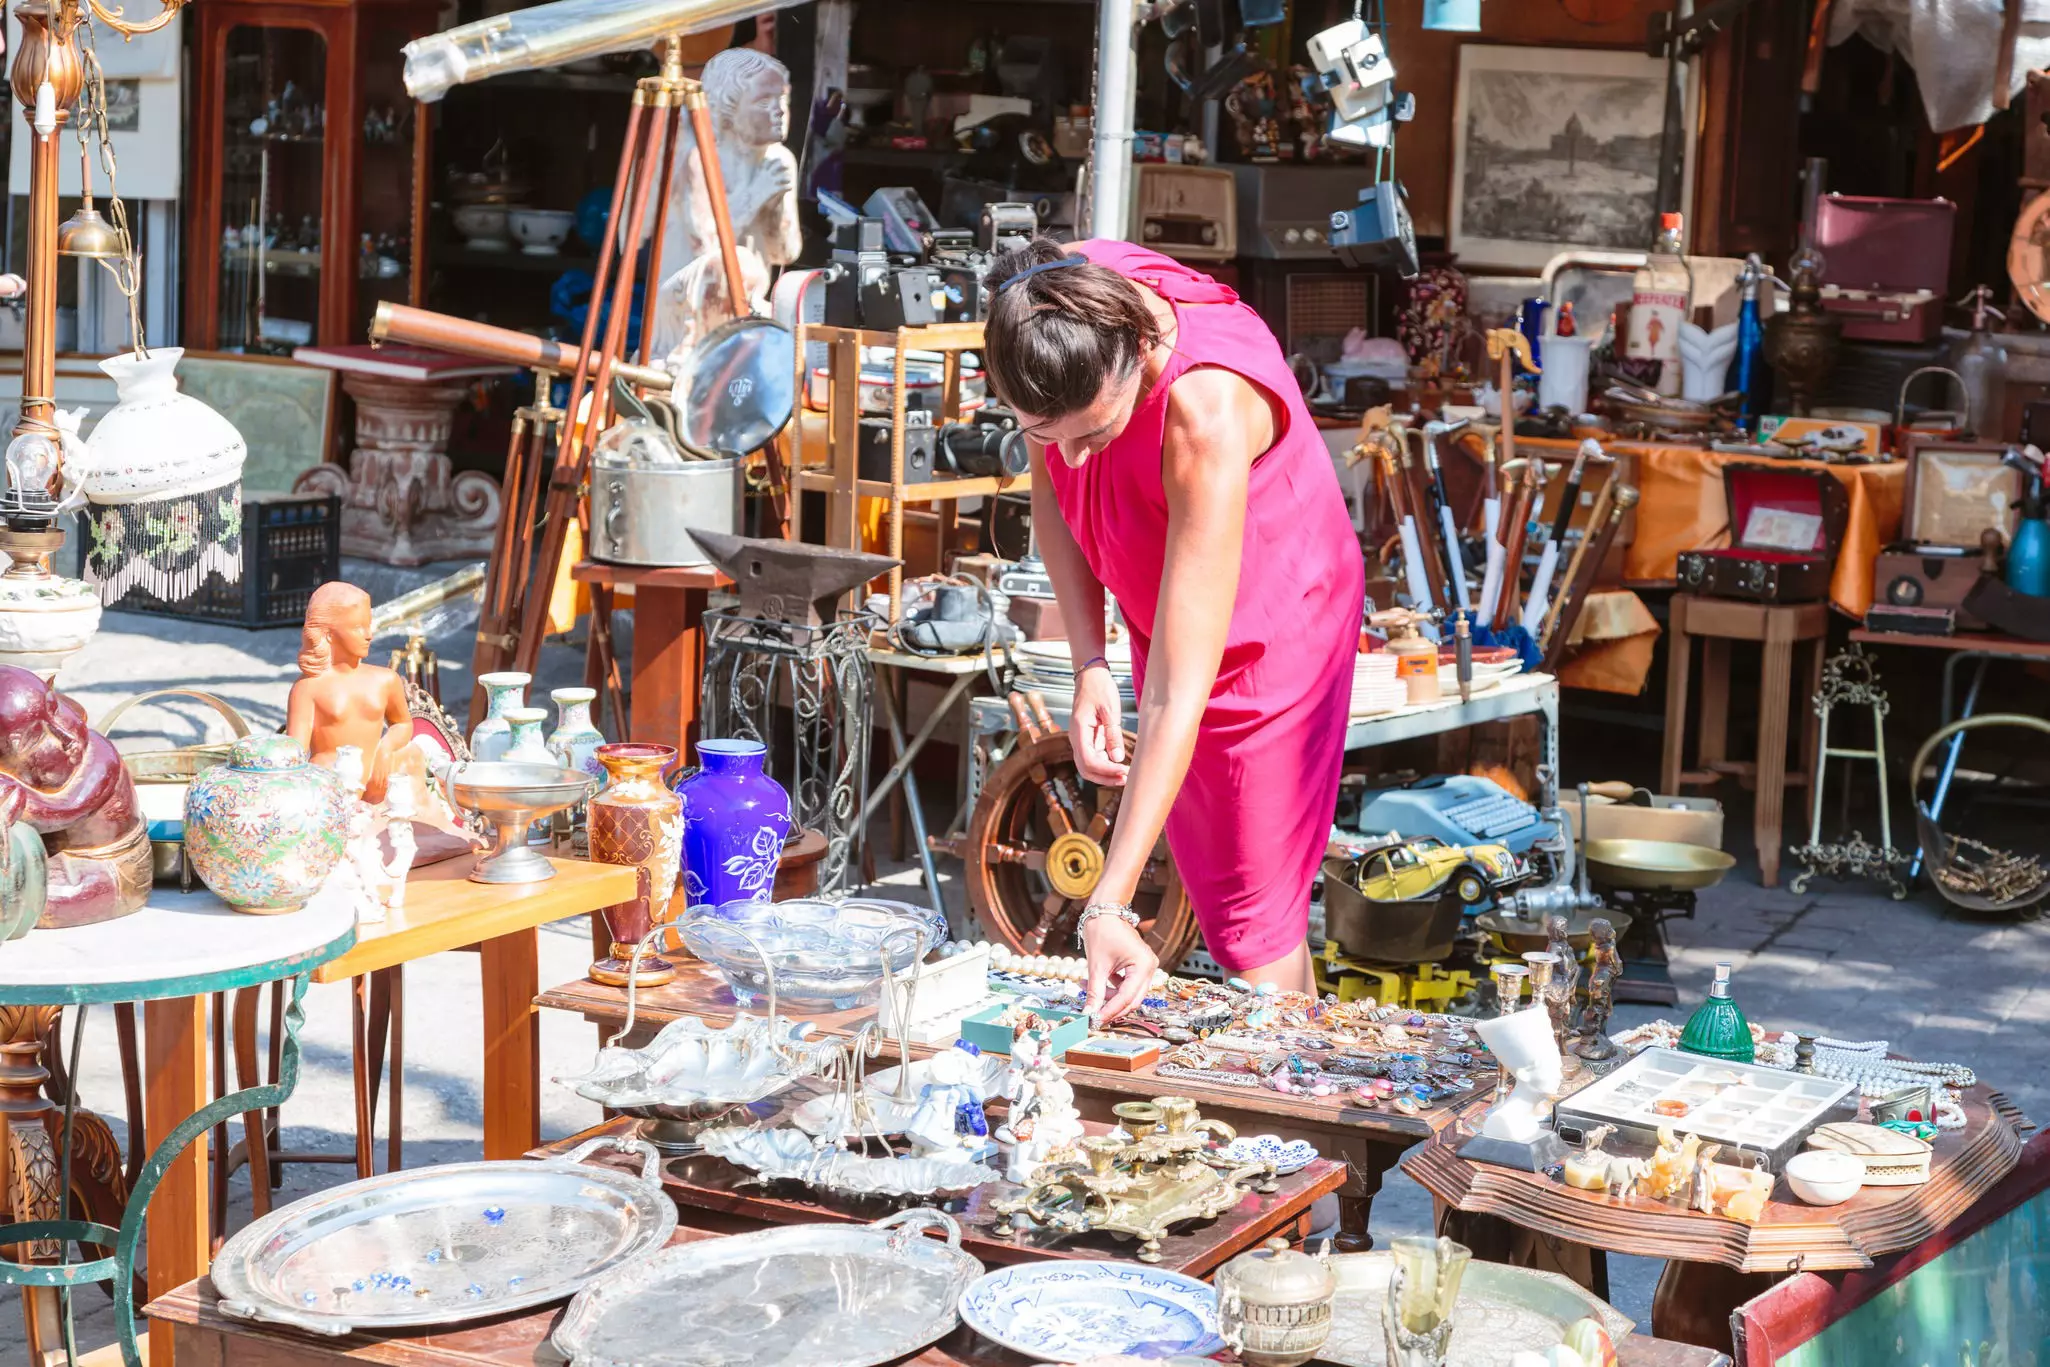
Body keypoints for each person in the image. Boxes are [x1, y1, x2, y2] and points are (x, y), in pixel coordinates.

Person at [981, 238, 1365, 1022]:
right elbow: (1053, 487)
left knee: (1253, 913)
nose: (1074, 461)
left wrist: (1106, 904)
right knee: (1234, 893)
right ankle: (1295, 1057)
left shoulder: (1204, 410)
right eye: (1052, 437)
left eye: (1095, 434)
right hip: (1161, 584)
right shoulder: (1048, 305)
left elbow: (1174, 695)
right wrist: (1090, 659)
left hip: (1273, 625)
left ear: (1137, 354)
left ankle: (1294, 1097)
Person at [286, 582, 420, 804]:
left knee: (413, 757)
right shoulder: (308, 688)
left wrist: (385, 749)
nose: (369, 635)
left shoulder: (385, 679)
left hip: (379, 783)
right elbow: (295, 753)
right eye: (358, 627)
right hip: (331, 786)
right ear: (329, 635)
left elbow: (403, 724)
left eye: (369, 625)